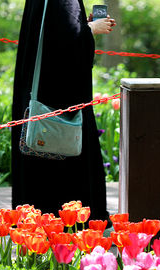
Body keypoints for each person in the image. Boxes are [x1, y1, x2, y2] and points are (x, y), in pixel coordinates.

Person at [11, 0, 116, 219]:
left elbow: (54, 33)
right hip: (59, 102)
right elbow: (67, 42)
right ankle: (69, 222)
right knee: (66, 169)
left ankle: (34, 221)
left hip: (38, 94)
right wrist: (90, 30)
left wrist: (83, 27)